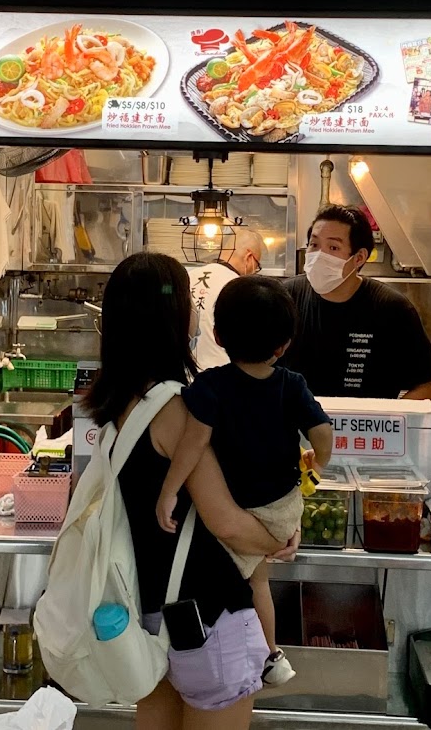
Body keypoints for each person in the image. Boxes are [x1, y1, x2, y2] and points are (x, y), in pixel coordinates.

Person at [85, 252, 299, 730]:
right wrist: (277, 541)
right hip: (208, 615)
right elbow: (224, 520)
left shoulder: (116, 404)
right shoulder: (180, 409)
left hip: (151, 612)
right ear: (176, 318)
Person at [155, 275, 333, 687]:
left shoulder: (210, 387)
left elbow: (193, 445)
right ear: (284, 344)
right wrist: (316, 464)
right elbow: (323, 434)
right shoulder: (292, 385)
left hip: (240, 510)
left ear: (217, 335)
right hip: (284, 507)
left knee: (242, 583)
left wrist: (168, 490)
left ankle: (254, 655)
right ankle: (270, 654)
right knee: (259, 581)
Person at [281, 204, 431, 400]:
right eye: (314, 245)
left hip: (363, 429)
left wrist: (386, 422)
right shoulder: (285, 298)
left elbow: (429, 388)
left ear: (359, 258)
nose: (318, 256)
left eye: (333, 247)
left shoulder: (391, 309)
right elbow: (256, 368)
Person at [188, 228, 265, 370]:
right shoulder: (239, 287)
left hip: (185, 373)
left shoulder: (190, 276)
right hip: (221, 376)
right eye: (257, 265)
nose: (255, 272)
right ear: (249, 257)